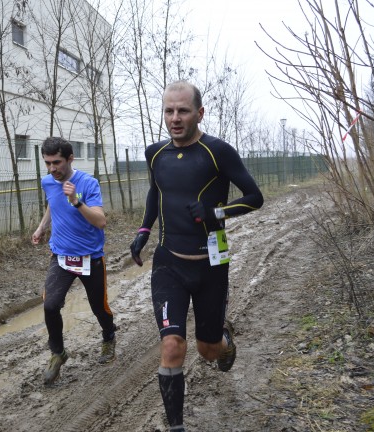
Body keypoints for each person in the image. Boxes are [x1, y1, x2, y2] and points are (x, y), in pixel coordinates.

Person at [130, 81, 264, 431]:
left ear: (199, 113)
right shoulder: (154, 153)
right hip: (169, 263)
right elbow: (155, 193)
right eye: (169, 111)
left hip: (210, 265)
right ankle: (176, 426)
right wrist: (144, 232)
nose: (175, 118)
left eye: (183, 111)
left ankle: (224, 341)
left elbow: (254, 197)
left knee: (208, 351)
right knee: (172, 345)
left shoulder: (218, 151)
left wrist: (215, 213)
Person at [32, 137, 117, 386]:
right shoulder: (48, 181)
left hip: (90, 257)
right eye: (47, 163)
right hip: (61, 256)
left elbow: (100, 221)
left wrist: (77, 201)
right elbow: (52, 204)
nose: (51, 169)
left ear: (70, 159)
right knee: (50, 305)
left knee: (98, 307)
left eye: (56, 162)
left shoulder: (88, 183)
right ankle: (58, 353)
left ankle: (109, 337)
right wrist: (41, 228)